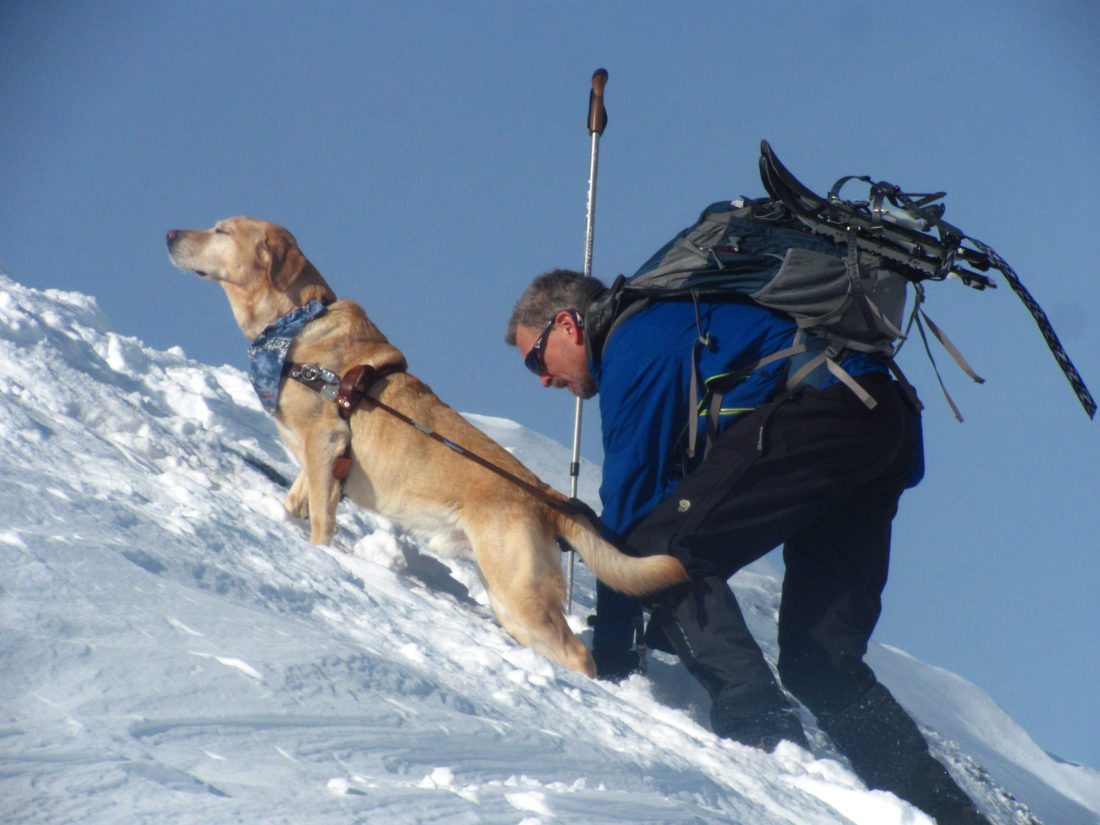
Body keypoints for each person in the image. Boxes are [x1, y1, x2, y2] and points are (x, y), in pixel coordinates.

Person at [505, 268, 990, 824]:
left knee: (660, 544)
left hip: (829, 409)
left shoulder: (634, 344)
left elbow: (632, 513)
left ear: (568, 325)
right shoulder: (666, 328)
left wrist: (611, 656)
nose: (543, 380)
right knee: (819, 662)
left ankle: (759, 727)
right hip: (879, 419)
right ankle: (946, 812)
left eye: (536, 360)